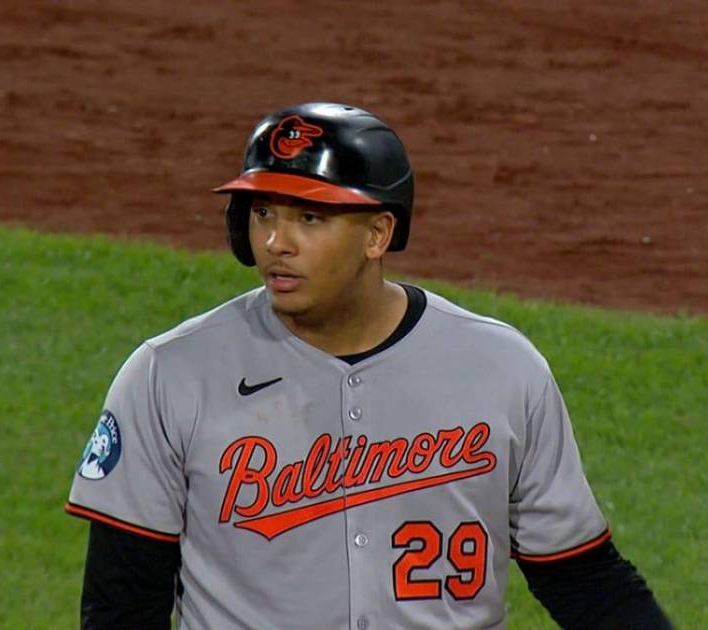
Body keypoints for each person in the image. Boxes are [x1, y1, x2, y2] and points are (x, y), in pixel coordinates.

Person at [66, 102, 673, 629]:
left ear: (378, 234)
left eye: (310, 218)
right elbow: (122, 605)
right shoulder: (170, 375)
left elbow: (582, 576)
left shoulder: (501, 369)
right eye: (263, 213)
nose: (277, 242)